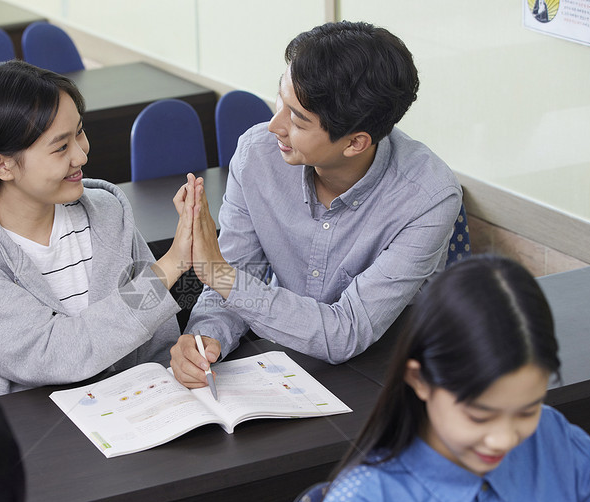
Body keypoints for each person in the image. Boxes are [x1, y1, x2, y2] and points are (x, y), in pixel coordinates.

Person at [171, 21, 463, 387]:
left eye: (297, 119)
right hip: (291, 365)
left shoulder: (427, 198)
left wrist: (220, 274)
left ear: (355, 143)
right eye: (281, 99)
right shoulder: (257, 156)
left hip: (391, 375)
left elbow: (346, 332)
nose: (274, 125)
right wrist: (206, 338)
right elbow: (237, 275)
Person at [309, 256, 590, 502]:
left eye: (527, 411)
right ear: (420, 380)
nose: (504, 440)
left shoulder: (553, 439)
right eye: (480, 416)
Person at [0, 60, 203, 395]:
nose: (81, 155)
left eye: (80, 133)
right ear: (1, 165)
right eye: (60, 147)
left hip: (134, 411)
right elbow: (54, 353)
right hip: (35, 436)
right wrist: (171, 264)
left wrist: (178, 378)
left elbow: (159, 340)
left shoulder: (108, 211)